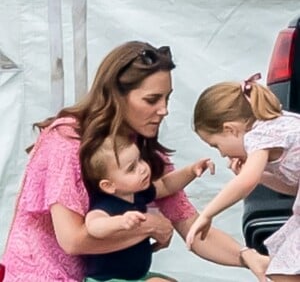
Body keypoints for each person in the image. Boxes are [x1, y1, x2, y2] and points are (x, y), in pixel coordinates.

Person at [1, 42, 268, 282]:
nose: (164, 109)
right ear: (117, 96)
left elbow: (193, 229)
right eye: (152, 99)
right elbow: (73, 240)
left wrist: (247, 257)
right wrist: (150, 226)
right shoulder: (67, 139)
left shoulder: (142, 153)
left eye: (167, 98)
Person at [186, 73, 300, 282]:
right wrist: (262, 177)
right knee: (281, 269)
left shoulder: (259, 134)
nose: (221, 154)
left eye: (216, 145)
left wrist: (207, 214)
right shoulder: (279, 124)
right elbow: (294, 188)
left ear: (230, 129)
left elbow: (245, 183)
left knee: (283, 270)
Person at [83, 135, 214, 281]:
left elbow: (166, 185)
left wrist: (190, 171)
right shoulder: (106, 204)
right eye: (132, 168)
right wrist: (120, 222)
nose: (143, 169)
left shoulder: (138, 194)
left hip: (136, 276)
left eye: (140, 160)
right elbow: (94, 225)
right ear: (108, 185)